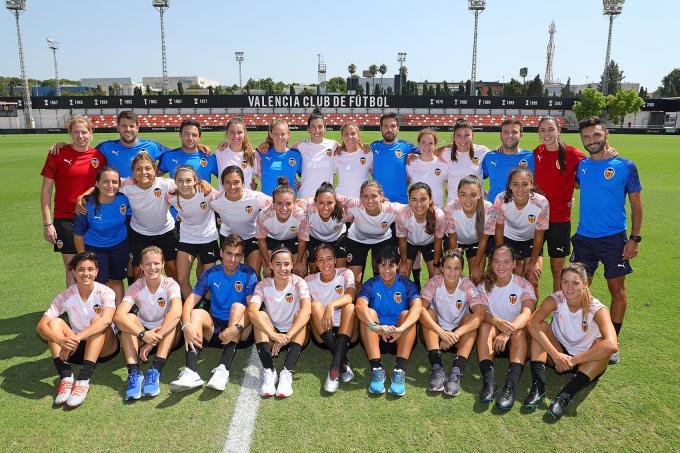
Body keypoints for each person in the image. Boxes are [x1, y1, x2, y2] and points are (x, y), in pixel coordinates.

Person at [572, 116, 643, 365]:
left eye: (596, 135)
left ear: (606, 135)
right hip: (584, 238)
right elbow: (574, 184)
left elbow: (636, 203)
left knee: (617, 289)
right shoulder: (581, 166)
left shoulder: (625, 165)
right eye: (587, 137)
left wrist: (634, 238)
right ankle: (579, 337)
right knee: (578, 288)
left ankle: (612, 341)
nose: (591, 141)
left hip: (614, 238)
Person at [525, 263, 618, 418]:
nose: (569, 287)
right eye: (565, 282)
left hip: (585, 360)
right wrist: (556, 356)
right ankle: (538, 387)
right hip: (559, 353)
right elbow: (531, 323)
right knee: (539, 327)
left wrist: (573, 361)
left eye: (575, 283)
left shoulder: (597, 308)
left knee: (603, 346)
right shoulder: (555, 299)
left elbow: (612, 344)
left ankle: (564, 396)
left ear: (585, 284)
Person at [170, 235, 258, 392]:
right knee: (196, 312)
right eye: (229, 254)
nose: (232, 259)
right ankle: (191, 372)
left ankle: (223, 370)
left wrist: (236, 328)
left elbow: (252, 309)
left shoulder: (248, 273)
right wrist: (186, 326)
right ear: (221, 253)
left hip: (241, 330)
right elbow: (189, 301)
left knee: (237, 307)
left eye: (237, 255)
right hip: (216, 330)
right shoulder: (211, 273)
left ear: (242, 256)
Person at [36, 252, 119, 408]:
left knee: (97, 321)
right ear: (73, 272)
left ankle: (83, 380)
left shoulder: (106, 292)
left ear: (96, 272)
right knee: (54, 323)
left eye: (90, 269)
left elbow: (107, 320)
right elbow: (40, 327)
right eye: (81, 269)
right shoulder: (66, 295)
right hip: (75, 349)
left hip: (105, 347)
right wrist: (61, 341)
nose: (86, 273)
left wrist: (77, 338)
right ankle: (66, 378)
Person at [41, 115, 107, 286]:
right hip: (65, 219)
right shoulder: (57, 153)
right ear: (70, 133)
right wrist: (48, 224)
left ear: (91, 133)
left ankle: (94, 305)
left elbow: (102, 185)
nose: (80, 136)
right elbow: (46, 190)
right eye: (76, 132)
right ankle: (73, 309)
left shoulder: (98, 157)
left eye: (84, 132)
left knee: (93, 265)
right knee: (72, 267)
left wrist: (85, 195)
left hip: (92, 217)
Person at [115, 247, 182, 400]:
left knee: (171, 319)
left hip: (166, 335)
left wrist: (153, 340)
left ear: (163, 264)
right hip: (143, 334)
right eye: (148, 264)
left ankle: (155, 370)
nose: (152, 268)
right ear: (141, 266)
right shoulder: (136, 287)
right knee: (127, 320)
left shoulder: (171, 284)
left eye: (156, 263)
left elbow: (177, 312)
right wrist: (143, 335)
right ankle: (134, 373)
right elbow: (118, 316)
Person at [355, 246, 422, 397]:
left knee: (407, 314)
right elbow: (359, 306)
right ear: (377, 266)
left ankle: (400, 370)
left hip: (400, 336)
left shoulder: (406, 283)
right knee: (368, 313)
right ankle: (377, 368)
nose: (387, 270)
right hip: (377, 336)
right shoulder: (371, 284)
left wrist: (401, 329)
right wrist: (376, 327)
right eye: (382, 265)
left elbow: (418, 307)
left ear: (397, 265)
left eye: (391, 265)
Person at [476, 245, 536, 411]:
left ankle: (510, 387)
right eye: (496, 262)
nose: (501, 266)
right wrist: (497, 322)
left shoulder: (523, 285)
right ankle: (489, 382)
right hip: (494, 342)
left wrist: (507, 332)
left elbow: (527, 312)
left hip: (517, 341)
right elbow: (482, 312)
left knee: (518, 332)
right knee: (485, 327)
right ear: (491, 263)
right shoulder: (483, 286)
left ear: (514, 263)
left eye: (506, 262)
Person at [248, 248, 312, 398]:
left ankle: (286, 373)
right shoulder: (263, 285)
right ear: (270, 265)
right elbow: (251, 311)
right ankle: (269, 371)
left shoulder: (299, 282)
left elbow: (307, 311)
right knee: (260, 315)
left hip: (295, 334)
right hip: (273, 334)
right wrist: (273, 335)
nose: (282, 269)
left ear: (292, 265)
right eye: (278, 264)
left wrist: (288, 336)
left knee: (300, 315)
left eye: (286, 264)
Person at [419, 250, 485, 395]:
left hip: (458, 336)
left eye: (457, 268)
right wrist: (441, 333)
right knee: (428, 312)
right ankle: (437, 368)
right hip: (436, 335)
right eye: (448, 267)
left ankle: (456, 371)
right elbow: (420, 309)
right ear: (442, 268)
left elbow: (480, 314)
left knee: (470, 318)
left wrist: (455, 334)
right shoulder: (434, 282)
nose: (452, 272)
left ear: (462, 270)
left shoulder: (467, 285)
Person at [534, 116, 587, 291]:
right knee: (532, 268)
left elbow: (588, 173)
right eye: (542, 130)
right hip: (535, 219)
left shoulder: (573, 154)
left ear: (558, 130)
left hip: (559, 219)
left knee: (558, 270)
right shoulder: (537, 152)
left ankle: (558, 312)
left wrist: (573, 189)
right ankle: (528, 312)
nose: (546, 133)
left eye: (550, 129)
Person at [305, 244, 357, 393]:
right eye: (320, 260)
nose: (325, 263)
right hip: (323, 333)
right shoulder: (308, 280)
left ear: (335, 260)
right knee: (314, 305)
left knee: (350, 307)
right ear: (315, 263)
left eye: (329, 259)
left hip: (347, 332)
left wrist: (331, 306)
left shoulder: (346, 273)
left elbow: (351, 295)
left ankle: (334, 369)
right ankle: (343, 362)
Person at [73, 166, 129, 304]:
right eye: (105, 181)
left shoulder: (124, 200)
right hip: (95, 248)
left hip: (119, 246)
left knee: (117, 280)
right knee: (101, 282)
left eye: (114, 182)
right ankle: (104, 314)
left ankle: (118, 315)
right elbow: (78, 234)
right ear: (97, 184)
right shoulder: (86, 205)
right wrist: (83, 257)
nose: (110, 186)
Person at [494, 168, 550, 297]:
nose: (520, 189)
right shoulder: (501, 199)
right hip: (509, 240)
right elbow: (499, 229)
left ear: (531, 184)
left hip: (531, 241)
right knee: (510, 276)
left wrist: (533, 262)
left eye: (525, 184)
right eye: (515, 184)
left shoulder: (541, 203)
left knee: (533, 278)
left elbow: (539, 235)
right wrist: (500, 255)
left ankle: (532, 317)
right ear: (510, 185)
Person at [166, 165, 220, 298]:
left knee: (207, 280)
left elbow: (224, 201)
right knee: (182, 279)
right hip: (186, 239)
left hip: (208, 239)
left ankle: (206, 308)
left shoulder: (206, 192)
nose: (184, 184)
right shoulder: (171, 197)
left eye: (188, 180)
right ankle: (192, 308)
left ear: (195, 180)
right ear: (175, 181)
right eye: (180, 180)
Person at [210, 166, 272, 276]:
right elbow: (197, 195)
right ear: (222, 183)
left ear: (243, 183)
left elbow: (278, 202)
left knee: (252, 275)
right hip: (228, 239)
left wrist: (300, 203)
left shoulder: (255, 197)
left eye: (236, 182)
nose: (232, 186)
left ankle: (254, 293)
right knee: (231, 275)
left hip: (252, 237)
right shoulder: (215, 199)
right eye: (227, 182)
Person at [341, 180, 403, 290]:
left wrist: (433, 208)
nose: (370, 200)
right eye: (365, 196)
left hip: (382, 241)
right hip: (357, 240)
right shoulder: (354, 204)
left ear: (381, 196)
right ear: (360, 197)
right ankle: (358, 302)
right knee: (354, 282)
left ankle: (380, 301)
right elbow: (329, 196)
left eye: (374, 196)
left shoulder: (391, 209)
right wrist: (303, 202)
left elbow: (413, 208)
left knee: (385, 276)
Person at [444, 175, 496, 284]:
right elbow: (452, 238)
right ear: (458, 194)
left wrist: (476, 266)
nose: (468, 200)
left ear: (479, 194)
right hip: (456, 242)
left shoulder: (488, 209)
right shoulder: (451, 208)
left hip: (477, 242)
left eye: (473, 195)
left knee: (477, 277)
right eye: (463, 195)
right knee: (452, 278)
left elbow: (483, 240)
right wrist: (456, 267)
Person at [256, 178, 309, 277]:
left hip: (293, 240)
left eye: (288, 203)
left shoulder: (301, 215)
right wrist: (268, 264)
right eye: (279, 203)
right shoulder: (264, 215)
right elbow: (261, 241)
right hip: (272, 240)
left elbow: (302, 241)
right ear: (273, 204)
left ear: (294, 203)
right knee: (269, 273)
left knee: (300, 272)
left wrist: (298, 262)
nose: (284, 208)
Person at [396, 182, 447, 278]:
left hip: (430, 243)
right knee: (402, 274)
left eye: (423, 199)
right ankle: (416, 282)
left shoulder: (438, 215)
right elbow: (402, 241)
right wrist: (403, 263)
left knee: (436, 276)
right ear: (409, 200)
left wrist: (436, 265)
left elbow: (438, 242)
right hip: (409, 243)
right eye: (414, 199)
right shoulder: (402, 214)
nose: (418, 204)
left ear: (430, 200)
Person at [301, 182, 352, 273]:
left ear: (335, 202)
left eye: (329, 203)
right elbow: (291, 204)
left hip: (337, 239)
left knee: (340, 273)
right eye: (321, 203)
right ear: (315, 202)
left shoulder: (344, 212)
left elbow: (361, 211)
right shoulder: (308, 208)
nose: (325, 207)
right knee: (315, 274)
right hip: (315, 238)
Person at [438, 118, 490, 204]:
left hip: (476, 207)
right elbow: (428, 155)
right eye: (458, 135)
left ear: (472, 136)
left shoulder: (482, 151)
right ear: (453, 137)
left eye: (467, 135)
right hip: (453, 208)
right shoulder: (446, 153)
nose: (463, 139)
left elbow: (497, 157)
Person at [482, 119, 534, 203]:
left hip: (522, 211)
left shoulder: (532, 157)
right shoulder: (490, 157)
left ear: (521, 135)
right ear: (501, 135)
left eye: (514, 132)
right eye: (506, 132)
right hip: (495, 210)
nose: (510, 135)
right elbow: (476, 175)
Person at [370, 112, 419, 204]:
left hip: (401, 203)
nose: (389, 129)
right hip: (379, 202)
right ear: (380, 128)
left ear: (398, 128)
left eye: (393, 126)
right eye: (385, 126)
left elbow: (429, 153)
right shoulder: (373, 146)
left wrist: (416, 155)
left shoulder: (407, 147)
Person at [158, 118, 219, 183]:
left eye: (194, 135)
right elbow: (153, 177)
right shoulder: (168, 156)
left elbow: (226, 178)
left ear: (199, 138)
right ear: (180, 135)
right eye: (186, 134)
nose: (190, 138)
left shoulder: (210, 157)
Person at [296, 108, 339, 198]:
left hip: (325, 200)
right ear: (308, 129)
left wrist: (363, 146)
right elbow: (284, 157)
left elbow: (351, 151)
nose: (317, 130)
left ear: (325, 128)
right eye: (313, 126)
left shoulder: (334, 145)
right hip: (305, 198)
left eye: (320, 126)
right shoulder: (300, 146)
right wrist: (293, 181)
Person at [258, 119, 302, 196]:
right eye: (276, 134)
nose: (280, 137)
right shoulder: (262, 153)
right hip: (267, 203)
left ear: (288, 134)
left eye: (283, 134)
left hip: (288, 204)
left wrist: (300, 184)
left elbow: (306, 174)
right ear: (270, 134)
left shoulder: (296, 155)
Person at [406, 129, 447, 208]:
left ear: (435, 145)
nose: (427, 146)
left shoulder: (443, 164)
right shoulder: (410, 163)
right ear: (418, 144)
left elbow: (451, 185)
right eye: (423, 142)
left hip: (437, 212)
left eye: (430, 143)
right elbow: (404, 185)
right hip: (417, 211)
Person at [215, 117, 259, 190]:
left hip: (245, 199)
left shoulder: (252, 154)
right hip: (224, 199)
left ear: (244, 133)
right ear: (227, 133)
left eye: (239, 132)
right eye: (232, 132)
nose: (236, 136)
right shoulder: (220, 151)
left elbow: (261, 177)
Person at [333, 122, 373, 199]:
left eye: (353, 133)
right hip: (341, 201)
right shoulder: (337, 155)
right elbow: (330, 177)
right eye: (346, 134)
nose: (350, 137)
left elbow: (376, 176)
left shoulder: (368, 153)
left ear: (358, 136)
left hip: (361, 201)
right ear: (342, 137)